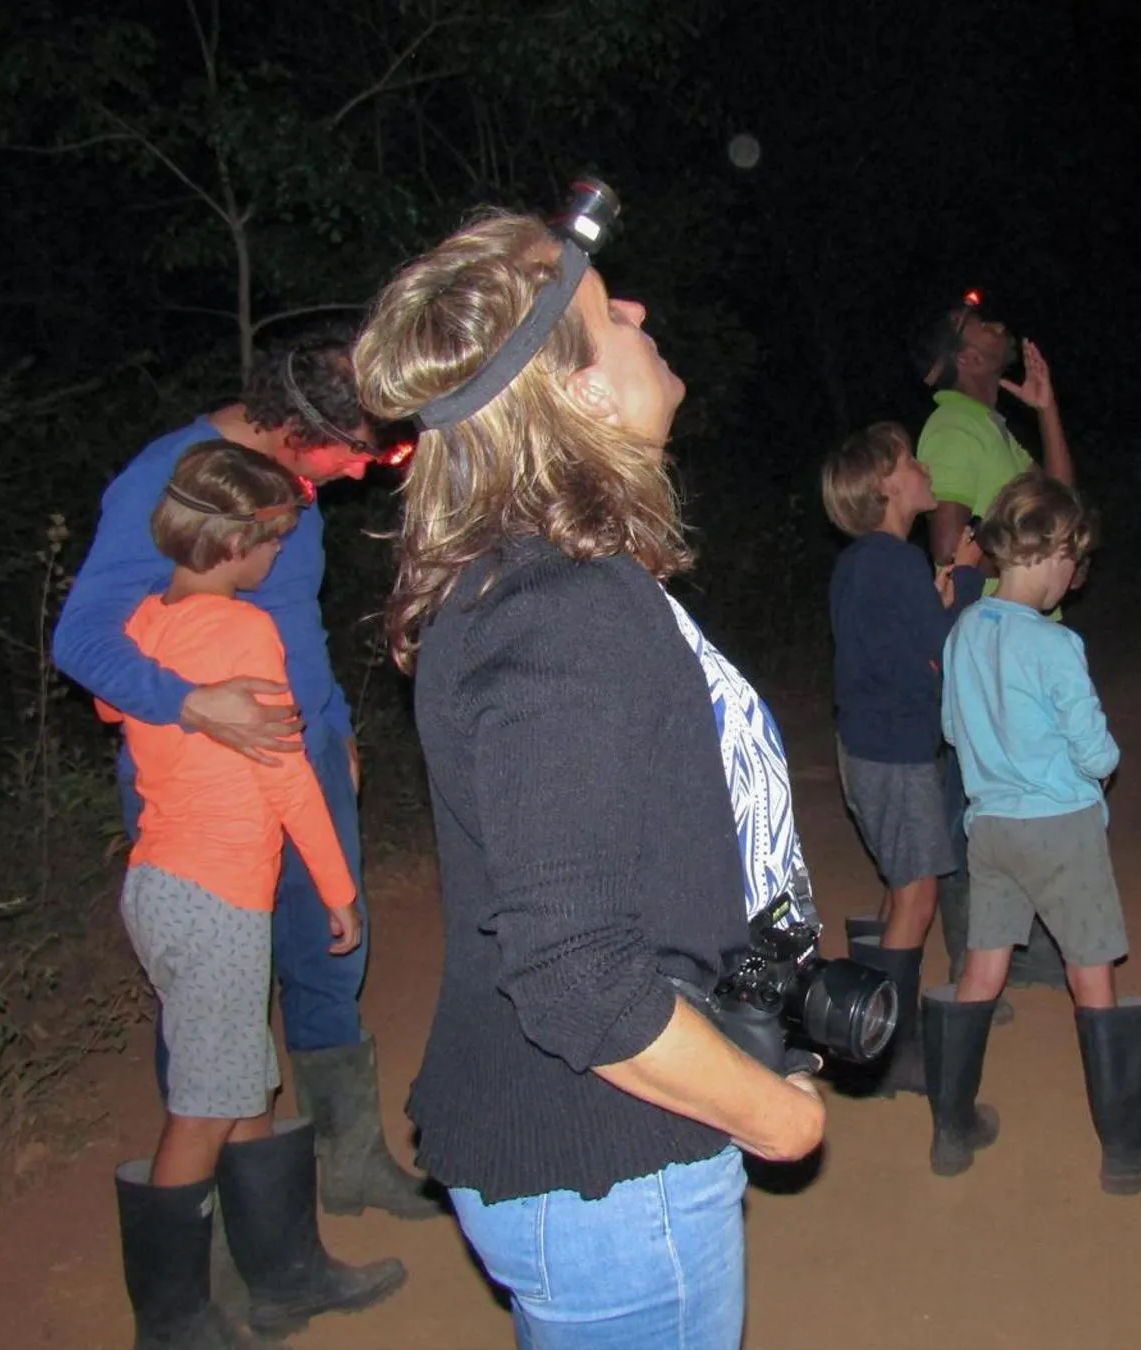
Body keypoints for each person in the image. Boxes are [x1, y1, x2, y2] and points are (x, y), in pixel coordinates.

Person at [353, 197, 827, 1349]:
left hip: (574, 1148)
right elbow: (573, 974)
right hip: (610, 1166)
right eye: (603, 313)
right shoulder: (566, 608)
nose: (636, 308)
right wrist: (773, 1117)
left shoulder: (519, 578)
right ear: (573, 393)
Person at [53, 333, 438, 1220]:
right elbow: (81, 640)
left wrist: (333, 725)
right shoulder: (174, 481)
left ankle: (344, 1162)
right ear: (294, 428)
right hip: (207, 785)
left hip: (300, 767)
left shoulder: (287, 490)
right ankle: (221, 1219)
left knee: (330, 958)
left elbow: (288, 623)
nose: (363, 471)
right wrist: (190, 703)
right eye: (357, 452)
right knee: (214, 992)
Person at [106, 442, 406, 1346]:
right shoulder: (243, 631)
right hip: (218, 894)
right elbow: (284, 775)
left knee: (238, 1084)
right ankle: (174, 1319)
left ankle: (284, 1277)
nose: (278, 558)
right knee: (203, 1106)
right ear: (234, 541)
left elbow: (114, 711)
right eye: (272, 540)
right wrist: (336, 885)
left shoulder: (143, 626)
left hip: (160, 885)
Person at [931, 471, 1141, 1194]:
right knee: (1092, 974)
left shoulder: (964, 629)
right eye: (1071, 561)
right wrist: (1098, 761)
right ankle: (1128, 1149)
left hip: (988, 828)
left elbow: (951, 730)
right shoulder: (1054, 646)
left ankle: (952, 1129)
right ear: (1052, 553)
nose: (1072, 579)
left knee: (980, 968)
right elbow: (1096, 754)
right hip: (1060, 828)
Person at [913, 294, 1076, 994]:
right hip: (995, 648)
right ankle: (969, 960)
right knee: (974, 805)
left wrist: (1045, 409)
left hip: (1027, 641)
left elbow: (1060, 506)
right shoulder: (953, 431)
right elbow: (947, 547)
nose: (998, 323)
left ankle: (1024, 948)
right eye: (978, 321)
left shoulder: (989, 427)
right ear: (966, 354)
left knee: (1031, 796)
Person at [822, 421, 985, 1096]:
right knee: (916, 896)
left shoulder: (864, 562)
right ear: (888, 484)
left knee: (899, 888)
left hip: (869, 743)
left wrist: (938, 605)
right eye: (911, 461)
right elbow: (946, 656)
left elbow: (907, 649)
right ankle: (890, 1052)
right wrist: (970, 578)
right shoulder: (891, 560)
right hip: (893, 750)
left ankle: (868, 1043)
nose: (923, 470)